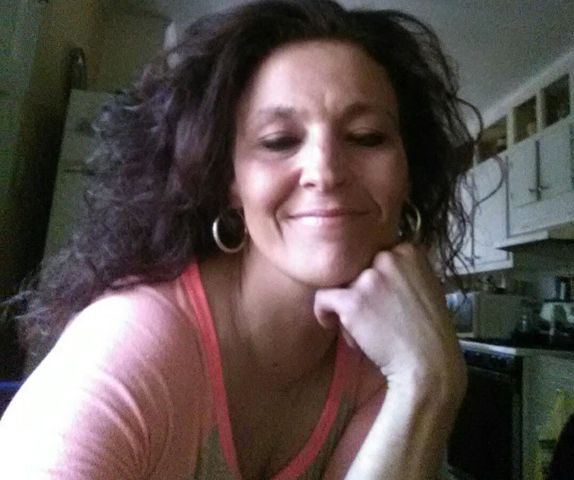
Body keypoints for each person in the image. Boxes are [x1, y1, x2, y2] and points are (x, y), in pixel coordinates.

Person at [0, 0, 474, 478]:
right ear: (230, 179)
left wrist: (425, 382)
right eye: (279, 141)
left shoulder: (387, 357)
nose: (326, 171)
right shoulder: (130, 342)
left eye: (366, 136)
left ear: (407, 173)